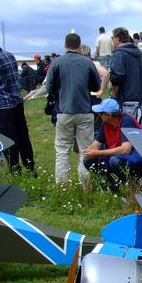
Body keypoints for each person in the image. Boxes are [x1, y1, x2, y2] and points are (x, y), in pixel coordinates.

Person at [45, 33, 102, 186]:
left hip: (64, 110)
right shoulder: (87, 62)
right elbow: (96, 86)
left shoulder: (57, 63)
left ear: (65, 45)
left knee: (63, 150)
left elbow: (49, 87)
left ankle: (63, 185)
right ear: (79, 45)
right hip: (85, 110)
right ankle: (86, 185)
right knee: (86, 150)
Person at [0, 33, 37, 176]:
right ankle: (30, 165)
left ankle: (14, 168)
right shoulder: (10, 56)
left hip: (2, 105)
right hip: (17, 102)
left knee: (8, 138)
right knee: (22, 134)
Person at [82, 98, 142, 191]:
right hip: (117, 159)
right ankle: (112, 187)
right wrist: (89, 151)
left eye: (101, 113)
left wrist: (97, 153)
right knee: (87, 161)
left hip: (137, 162)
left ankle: (129, 188)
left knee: (114, 161)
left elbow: (126, 149)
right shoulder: (105, 124)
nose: (99, 115)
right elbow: (96, 144)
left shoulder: (126, 121)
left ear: (109, 115)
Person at [109, 27, 142, 124]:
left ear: (117, 39)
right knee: (136, 128)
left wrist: (113, 92)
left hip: (124, 98)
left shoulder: (119, 53)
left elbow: (117, 76)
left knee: (124, 129)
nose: (112, 40)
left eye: (112, 38)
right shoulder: (139, 52)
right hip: (139, 97)